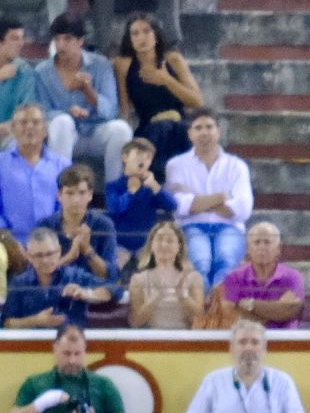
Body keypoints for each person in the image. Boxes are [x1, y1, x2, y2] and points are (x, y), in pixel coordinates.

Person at [37, 13, 135, 186]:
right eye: (57, 39)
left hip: (96, 130)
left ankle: (114, 193)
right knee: (61, 122)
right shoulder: (42, 71)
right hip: (65, 135)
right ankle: (60, 192)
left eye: (67, 39)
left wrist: (89, 92)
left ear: (80, 41)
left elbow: (111, 110)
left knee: (121, 129)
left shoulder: (101, 65)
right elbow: (42, 110)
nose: (61, 45)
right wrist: (68, 113)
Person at [183, 319, 307, 413]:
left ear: (265, 349)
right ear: (231, 349)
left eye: (255, 342)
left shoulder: (282, 381)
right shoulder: (213, 380)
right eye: (242, 342)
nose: (248, 348)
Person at [165, 108, 251, 288]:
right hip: (191, 226)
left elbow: (243, 209)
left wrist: (197, 201)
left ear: (218, 131)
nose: (204, 132)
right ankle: (203, 313)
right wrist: (221, 197)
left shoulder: (237, 166)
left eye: (209, 127)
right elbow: (178, 206)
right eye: (198, 128)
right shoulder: (176, 165)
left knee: (226, 260)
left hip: (230, 227)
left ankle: (219, 313)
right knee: (200, 263)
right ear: (189, 134)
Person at [7, 323, 126, 413]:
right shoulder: (35, 383)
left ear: (85, 350)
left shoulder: (103, 384)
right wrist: (42, 403)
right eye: (66, 353)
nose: (72, 360)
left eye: (77, 354)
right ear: (55, 349)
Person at [111, 13, 199, 175]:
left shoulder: (173, 60)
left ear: (156, 35)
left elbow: (196, 101)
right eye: (135, 33)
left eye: (146, 31)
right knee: (157, 137)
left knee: (189, 136)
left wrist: (166, 80)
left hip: (179, 123)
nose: (141, 38)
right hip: (150, 127)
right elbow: (124, 109)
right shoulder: (123, 65)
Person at [3, 226, 114, 328]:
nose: (45, 260)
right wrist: (35, 320)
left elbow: (114, 290)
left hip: (72, 345)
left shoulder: (76, 276)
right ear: (29, 256)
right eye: (38, 255)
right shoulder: (19, 283)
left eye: (50, 254)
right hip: (32, 347)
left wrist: (86, 293)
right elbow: (6, 323)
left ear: (59, 252)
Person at [0, 101, 67, 263]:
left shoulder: (62, 165)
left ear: (45, 130)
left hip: (54, 245)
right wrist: (9, 243)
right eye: (23, 123)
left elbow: (66, 207)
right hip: (9, 243)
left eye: (36, 122)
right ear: (13, 130)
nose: (29, 127)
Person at [219, 221, 305, 329]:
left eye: (267, 242)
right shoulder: (233, 278)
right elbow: (232, 315)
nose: (262, 247)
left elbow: (288, 311)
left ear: (279, 248)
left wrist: (248, 304)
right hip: (248, 341)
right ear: (248, 248)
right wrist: (275, 310)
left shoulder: (293, 277)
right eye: (257, 242)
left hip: (284, 341)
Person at [37, 165, 115, 282]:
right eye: (70, 193)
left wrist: (87, 250)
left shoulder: (103, 225)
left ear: (90, 195)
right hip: (54, 293)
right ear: (59, 195)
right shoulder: (44, 226)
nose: (76, 200)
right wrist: (69, 257)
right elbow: (37, 276)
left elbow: (110, 276)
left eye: (82, 193)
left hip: (92, 293)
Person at [102, 136, 169, 270]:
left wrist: (155, 186)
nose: (143, 159)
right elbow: (114, 208)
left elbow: (172, 205)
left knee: (157, 269)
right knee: (111, 268)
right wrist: (130, 192)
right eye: (138, 154)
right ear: (125, 157)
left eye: (148, 157)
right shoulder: (113, 186)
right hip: (120, 243)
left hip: (145, 243)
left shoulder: (151, 188)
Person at [126, 220, 205, 330]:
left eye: (170, 241)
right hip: (150, 341)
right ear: (151, 245)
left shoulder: (194, 278)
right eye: (159, 239)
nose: (164, 245)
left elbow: (200, 320)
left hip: (185, 342)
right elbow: (135, 322)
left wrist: (183, 296)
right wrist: (156, 297)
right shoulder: (138, 280)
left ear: (179, 246)